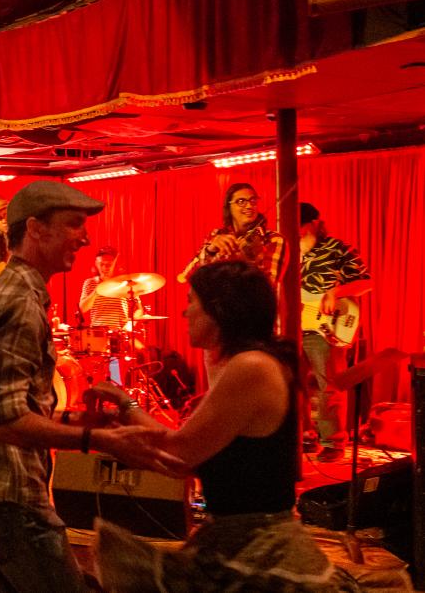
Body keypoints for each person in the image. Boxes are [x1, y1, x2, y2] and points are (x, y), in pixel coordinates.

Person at [0, 180, 181, 593]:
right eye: (74, 224)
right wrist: (99, 441)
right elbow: (7, 419)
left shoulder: (11, 292)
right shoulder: (19, 300)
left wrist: (76, 420)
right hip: (10, 494)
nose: (85, 238)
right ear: (35, 229)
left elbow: (5, 406)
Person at [91, 260, 359, 592]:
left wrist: (108, 425)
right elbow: (185, 448)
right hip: (239, 539)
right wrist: (123, 408)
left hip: (261, 547)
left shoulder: (251, 367)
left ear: (219, 310)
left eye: (191, 302)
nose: (184, 313)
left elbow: (180, 454)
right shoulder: (245, 363)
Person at [299, 202, 372, 463]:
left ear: (316, 224)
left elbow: (366, 282)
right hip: (291, 328)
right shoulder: (283, 253)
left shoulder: (337, 248)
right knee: (290, 386)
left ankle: (333, 442)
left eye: (302, 229)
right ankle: (304, 436)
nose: (297, 234)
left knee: (328, 386)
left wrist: (335, 292)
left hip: (326, 326)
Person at [191, 183, 285, 286]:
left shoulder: (272, 239)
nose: (249, 206)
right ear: (229, 207)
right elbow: (190, 276)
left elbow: (268, 286)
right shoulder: (217, 236)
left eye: (253, 201)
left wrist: (248, 261)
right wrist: (210, 250)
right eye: (241, 202)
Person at [78, 245, 136, 328]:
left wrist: (129, 326)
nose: (105, 268)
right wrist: (97, 291)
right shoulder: (90, 283)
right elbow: (82, 309)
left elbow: (138, 309)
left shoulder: (124, 282)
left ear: (115, 264)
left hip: (120, 333)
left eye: (109, 264)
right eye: (101, 264)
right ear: (96, 264)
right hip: (97, 333)